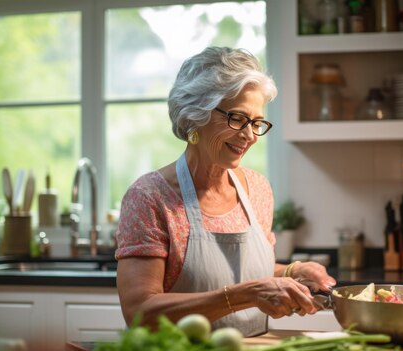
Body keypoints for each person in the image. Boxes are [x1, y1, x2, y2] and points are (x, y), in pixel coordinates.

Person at [114, 47, 336, 337]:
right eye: (237, 119)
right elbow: (140, 313)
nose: (250, 135)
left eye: (257, 123)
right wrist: (246, 294)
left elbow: (239, 274)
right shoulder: (150, 197)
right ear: (196, 115)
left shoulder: (257, 189)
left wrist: (292, 272)